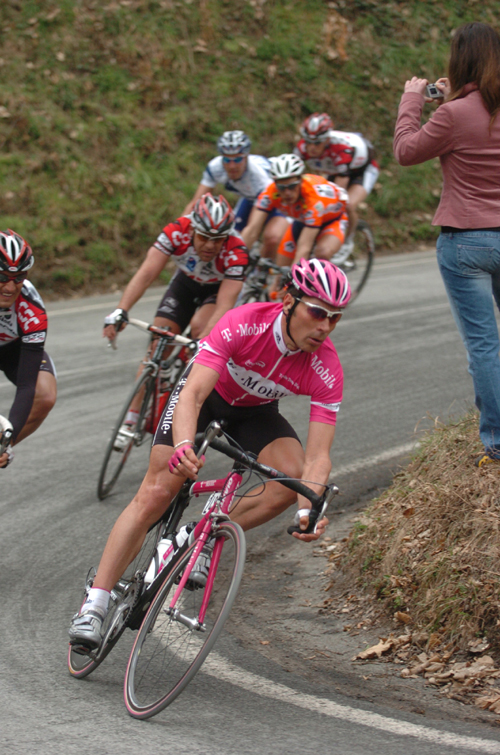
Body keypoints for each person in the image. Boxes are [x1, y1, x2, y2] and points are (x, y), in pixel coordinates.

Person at [69, 258, 351, 650]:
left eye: (335, 318)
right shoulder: (245, 322)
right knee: (156, 491)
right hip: (204, 398)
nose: (324, 326)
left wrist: (309, 507)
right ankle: (95, 603)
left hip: (255, 411)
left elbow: (318, 457)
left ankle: (198, 535)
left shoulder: (326, 367)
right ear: (288, 299)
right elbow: (194, 394)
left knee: (290, 480)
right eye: (317, 312)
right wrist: (184, 445)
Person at [393, 22, 500, 468]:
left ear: (460, 61)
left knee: (484, 345)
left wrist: (413, 99)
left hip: (465, 242)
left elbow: (406, 151)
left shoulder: (453, 115)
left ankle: (497, 440)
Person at [103, 193, 249, 449]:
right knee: (158, 341)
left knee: (202, 330)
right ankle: (131, 419)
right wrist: (121, 309)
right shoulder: (176, 231)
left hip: (214, 294)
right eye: (204, 237)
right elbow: (147, 272)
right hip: (184, 286)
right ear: (192, 228)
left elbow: (225, 304)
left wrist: (203, 342)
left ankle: (182, 383)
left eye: (218, 239)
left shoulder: (236, 250)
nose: (210, 246)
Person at [182, 130, 289, 257]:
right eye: (227, 159)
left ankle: (262, 271)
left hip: (278, 200)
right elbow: (195, 203)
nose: (232, 166)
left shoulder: (258, 177)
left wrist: (231, 260)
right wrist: (178, 233)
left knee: (272, 237)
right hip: (250, 198)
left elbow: (252, 229)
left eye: (238, 159)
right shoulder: (215, 167)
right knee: (229, 237)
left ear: (246, 157)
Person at [0, 230, 57, 468]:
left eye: (19, 277)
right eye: (2, 277)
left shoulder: (32, 310)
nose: (11, 287)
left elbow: (27, 386)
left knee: (45, 395)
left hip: (14, 349)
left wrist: (7, 439)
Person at [241, 154, 351, 269]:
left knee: (322, 253)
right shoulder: (270, 192)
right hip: (302, 221)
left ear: (300, 181)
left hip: (332, 221)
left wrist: (294, 276)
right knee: (281, 270)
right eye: (282, 188)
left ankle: (327, 284)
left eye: (292, 186)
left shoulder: (313, 199)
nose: (287, 192)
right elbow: (252, 229)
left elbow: (304, 247)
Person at [295, 113, 380, 256]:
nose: (312, 147)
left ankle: (348, 241)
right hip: (335, 169)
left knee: (346, 203)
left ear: (327, 139)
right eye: (308, 141)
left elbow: (339, 191)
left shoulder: (341, 148)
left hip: (363, 170)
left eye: (317, 143)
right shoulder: (301, 148)